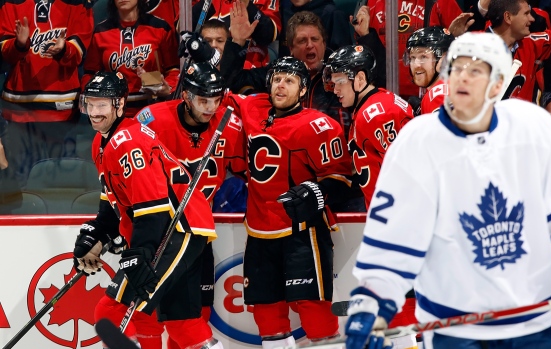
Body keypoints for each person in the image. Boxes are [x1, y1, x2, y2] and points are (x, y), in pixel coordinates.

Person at [344, 32, 551, 349]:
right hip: (455, 330)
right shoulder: (416, 142)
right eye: (457, 68)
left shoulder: (534, 128)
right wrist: (372, 303)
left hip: (535, 324)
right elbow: (394, 238)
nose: (463, 78)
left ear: (498, 84)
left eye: (477, 70)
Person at [73, 71, 222, 349]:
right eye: (89, 104)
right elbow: (113, 201)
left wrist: (140, 252)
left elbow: (152, 208)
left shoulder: (128, 142)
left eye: (101, 104)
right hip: (182, 228)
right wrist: (97, 236)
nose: (94, 112)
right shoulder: (103, 142)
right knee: (183, 323)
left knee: (109, 312)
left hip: (176, 228)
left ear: (119, 104)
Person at [233, 56, 352, 349]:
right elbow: (220, 91)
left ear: (302, 90)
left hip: (303, 230)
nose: (280, 86)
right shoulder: (253, 107)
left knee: (316, 313)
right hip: (259, 232)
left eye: (289, 80)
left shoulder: (319, 125)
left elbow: (342, 177)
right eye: (276, 79)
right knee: (268, 317)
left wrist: (316, 192)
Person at [134, 61, 246, 349]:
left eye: (215, 100)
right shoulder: (152, 121)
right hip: (162, 233)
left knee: (198, 312)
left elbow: (246, 167)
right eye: (202, 100)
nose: (210, 107)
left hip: (198, 233)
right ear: (185, 96)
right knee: (158, 315)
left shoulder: (229, 124)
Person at [324, 44, 416, 349]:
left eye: (339, 80)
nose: (334, 88)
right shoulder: (371, 109)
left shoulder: (376, 113)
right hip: (395, 221)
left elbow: (410, 171)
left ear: (359, 78)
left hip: (400, 222)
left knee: (401, 301)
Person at [0, 0, 93, 183]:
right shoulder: (10, 3)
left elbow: (79, 50)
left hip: (61, 113)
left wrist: (64, 49)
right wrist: (19, 44)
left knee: (60, 182)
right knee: (18, 184)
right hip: (19, 110)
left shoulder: (78, 4)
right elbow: (5, 52)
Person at [221, 11, 353, 138]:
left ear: (324, 44)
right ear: (291, 49)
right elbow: (232, 82)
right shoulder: (278, 73)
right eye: (302, 41)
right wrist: (237, 42)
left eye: (315, 39)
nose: (309, 45)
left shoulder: (343, 72)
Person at [82, 0, 179, 117]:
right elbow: (90, 74)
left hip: (152, 108)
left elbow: (174, 69)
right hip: (113, 111)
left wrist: (168, 88)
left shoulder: (160, 28)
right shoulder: (101, 31)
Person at [403, 26, 455, 115]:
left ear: (444, 59)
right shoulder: (453, 85)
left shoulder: (437, 95)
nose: (416, 64)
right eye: (412, 57)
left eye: (423, 57)